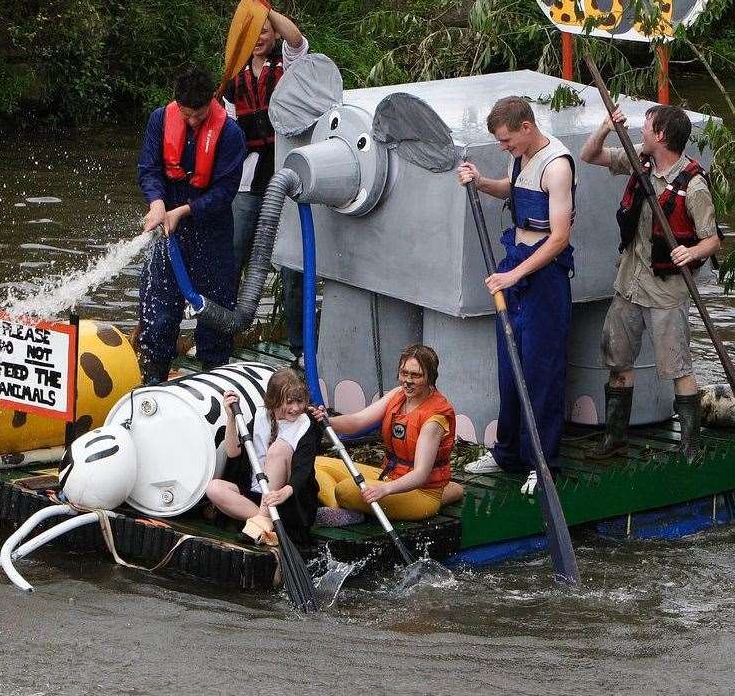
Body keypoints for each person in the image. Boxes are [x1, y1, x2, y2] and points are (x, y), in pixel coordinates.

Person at [579, 103, 720, 457]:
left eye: (646, 125)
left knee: (677, 365)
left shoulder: (694, 184)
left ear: (660, 135)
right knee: (618, 360)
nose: (641, 129)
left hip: (666, 291)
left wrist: (693, 252)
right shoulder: (639, 159)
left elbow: (712, 239)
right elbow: (589, 155)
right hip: (629, 282)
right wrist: (607, 127)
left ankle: (690, 445)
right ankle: (615, 438)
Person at [456, 96, 575, 478]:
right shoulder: (520, 155)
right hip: (515, 264)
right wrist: (481, 182)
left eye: (507, 141)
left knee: (541, 369)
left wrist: (515, 275)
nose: (504, 148)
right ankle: (507, 453)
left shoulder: (556, 166)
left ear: (527, 127)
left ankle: (542, 461)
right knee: (509, 363)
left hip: (543, 274)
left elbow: (559, 238)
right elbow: (512, 188)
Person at [137, 66, 247, 383]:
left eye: (199, 115)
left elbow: (225, 192)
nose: (193, 122)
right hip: (168, 230)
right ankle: (153, 379)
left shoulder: (230, 134)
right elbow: (149, 169)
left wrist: (183, 211)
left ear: (211, 102)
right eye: (187, 115)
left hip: (211, 232)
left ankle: (213, 383)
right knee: (158, 310)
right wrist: (157, 202)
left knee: (214, 316)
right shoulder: (160, 119)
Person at [225, 0, 309, 360]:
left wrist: (264, 7)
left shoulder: (287, 67)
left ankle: (299, 349)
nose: (259, 37)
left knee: (292, 269)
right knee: (234, 258)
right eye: (253, 30)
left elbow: (296, 37)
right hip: (249, 181)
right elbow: (228, 133)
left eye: (264, 30)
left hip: (287, 177)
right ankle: (223, 337)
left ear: (272, 34)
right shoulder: (234, 77)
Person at [309, 344, 461, 523]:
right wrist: (328, 421)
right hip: (388, 476)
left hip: (420, 493)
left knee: (346, 489)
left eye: (416, 375)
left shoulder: (435, 418)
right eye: (404, 373)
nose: (408, 381)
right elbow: (358, 422)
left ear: (430, 378)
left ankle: (345, 506)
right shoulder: (399, 394)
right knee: (316, 463)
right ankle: (339, 511)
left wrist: (385, 490)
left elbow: (420, 474)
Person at [205, 369, 322, 544]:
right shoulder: (261, 416)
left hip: (288, 499)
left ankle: (261, 524)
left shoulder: (306, 424)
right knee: (214, 488)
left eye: (300, 401)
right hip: (256, 496)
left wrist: (285, 491)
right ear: (274, 401)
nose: (296, 408)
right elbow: (233, 452)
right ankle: (267, 523)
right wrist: (231, 418)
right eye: (289, 402)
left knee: (278, 448)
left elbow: (303, 469)